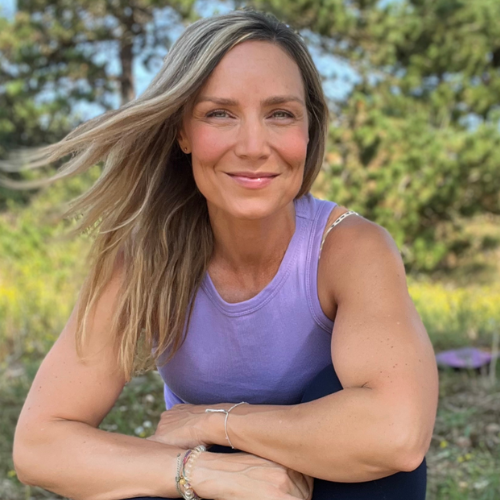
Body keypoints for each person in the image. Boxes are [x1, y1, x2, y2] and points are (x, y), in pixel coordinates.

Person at [9, 8, 439, 500]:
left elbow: (397, 433)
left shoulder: (350, 248)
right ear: (182, 132)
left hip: (328, 479)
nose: (254, 146)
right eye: (219, 113)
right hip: (213, 482)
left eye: (280, 114)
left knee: (347, 407)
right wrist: (202, 470)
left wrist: (213, 421)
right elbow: (39, 444)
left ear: (309, 130)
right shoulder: (143, 257)